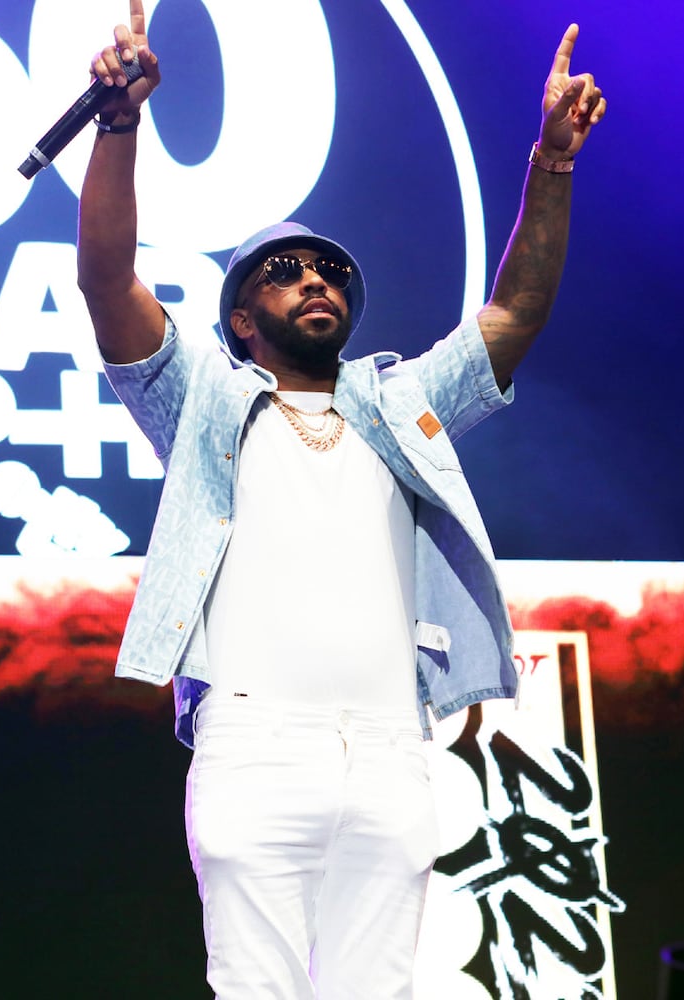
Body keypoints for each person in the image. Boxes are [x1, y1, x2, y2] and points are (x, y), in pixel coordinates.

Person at [75, 4, 606, 997]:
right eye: (285, 272)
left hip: (391, 749)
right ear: (241, 318)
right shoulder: (202, 400)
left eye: (329, 271)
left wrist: (552, 164)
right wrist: (119, 125)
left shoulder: (403, 403)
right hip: (253, 744)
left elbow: (516, 310)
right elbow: (108, 282)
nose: (315, 279)